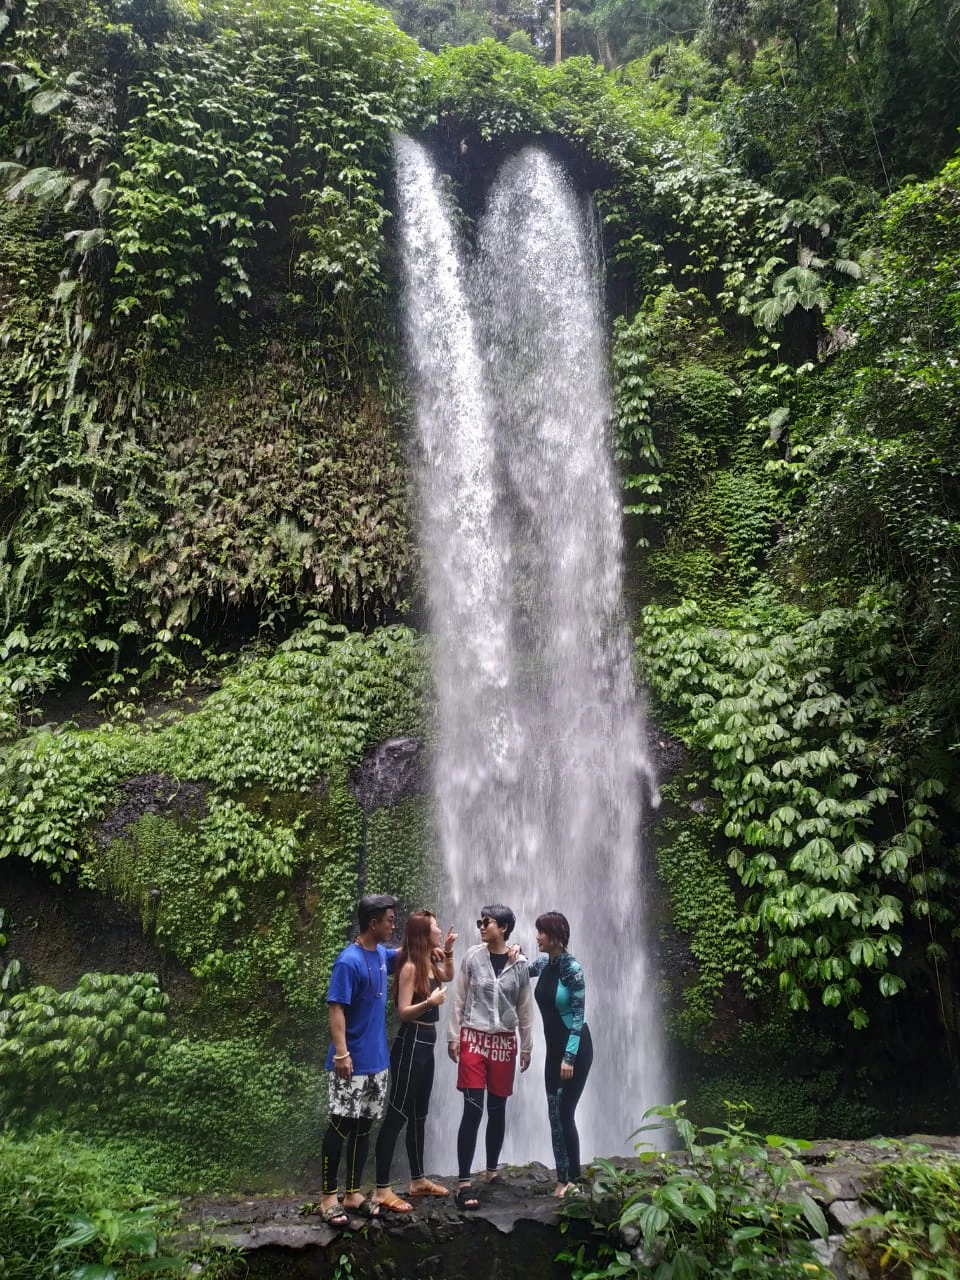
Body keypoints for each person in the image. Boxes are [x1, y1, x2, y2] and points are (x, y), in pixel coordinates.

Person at [317, 893, 399, 1227]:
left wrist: (434, 942)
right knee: (339, 1125)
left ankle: (352, 1193)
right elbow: (335, 1007)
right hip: (350, 1061)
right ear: (373, 922)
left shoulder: (379, 953)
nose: (395, 924)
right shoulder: (348, 961)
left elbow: (404, 955)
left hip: (378, 1062)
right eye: (390, 919)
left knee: (364, 1128)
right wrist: (341, 1053)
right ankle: (327, 1197)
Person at [447, 903, 533, 1211]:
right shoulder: (472, 957)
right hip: (473, 1037)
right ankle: (464, 1182)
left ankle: (493, 1170)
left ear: (504, 928)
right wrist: (453, 1036)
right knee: (472, 1109)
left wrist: (527, 1045)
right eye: (480, 921)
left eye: (488, 922)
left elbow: (525, 1006)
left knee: (497, 1109)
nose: (481, 926)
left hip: (504, 1043)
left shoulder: (520, 963)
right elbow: (459, 998)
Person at [371, 910, 458, 1212]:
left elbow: (449, 975)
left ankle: (418, 1180)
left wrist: (447, 952)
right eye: (435, 928)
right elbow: (403, 1011)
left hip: (427, 1043)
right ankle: (381, 1188)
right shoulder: (409, 967)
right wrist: (429, 1003)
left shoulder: (429, 961)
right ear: (423, 934)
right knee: (397, 1113)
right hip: (411, 1042)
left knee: (420, 1114)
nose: (438, 930)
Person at [528, 910, 593, 1197]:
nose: (537, 937)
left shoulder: (572, 969)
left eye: (541, 932)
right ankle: (561, 1179)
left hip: (575, 1049)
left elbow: (578, 1017)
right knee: (554, 1113)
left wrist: (569, 1057)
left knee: (565, 1112)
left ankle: (574, 1180)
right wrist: (511, 952)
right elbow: (521, 968)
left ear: (556, 936)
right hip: (553, 1050)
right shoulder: (545, 963)